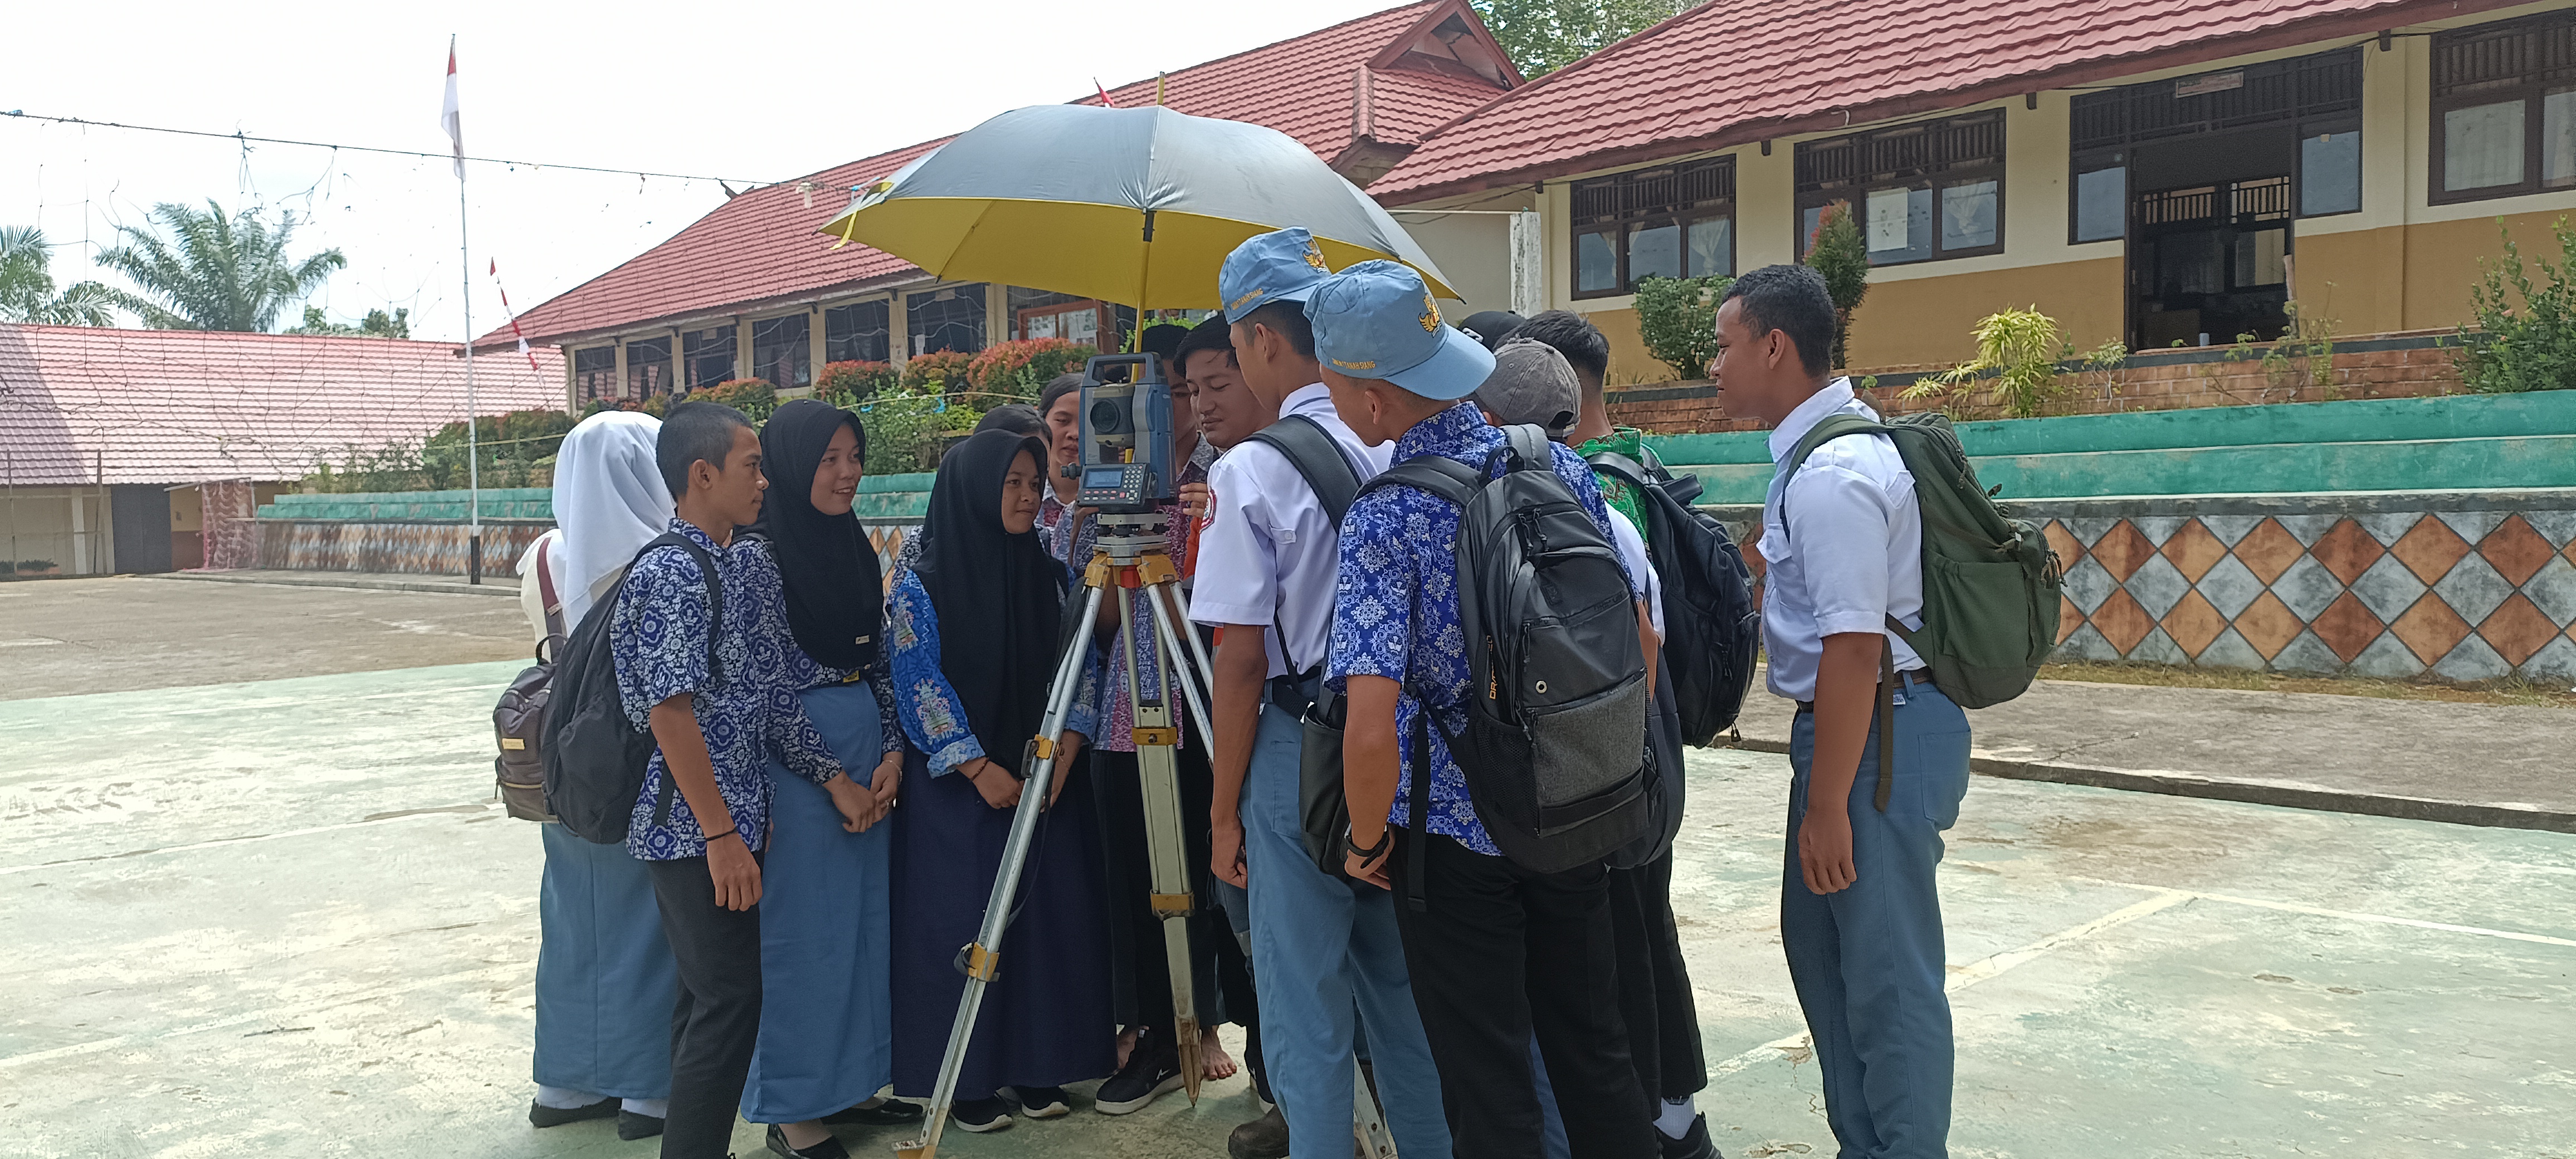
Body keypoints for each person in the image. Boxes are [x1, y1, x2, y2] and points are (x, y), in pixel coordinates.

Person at [1316, 261, 1657, 1159]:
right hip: (1575, 800)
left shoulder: (1385, 515)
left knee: (1488, 1080)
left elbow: (1371, 720)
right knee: (1596, 1053)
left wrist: (1364, 839)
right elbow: (1636, 638)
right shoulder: (1556, 464)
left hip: (1452, 835)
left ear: (1375, 400)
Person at [1189, 228, 1446, 1159]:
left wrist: (1223, 813)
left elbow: (1239, 662)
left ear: (1260, 338)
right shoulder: (1392, 435)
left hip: (1299, 745)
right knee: (1403, 994)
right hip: (1408, 740)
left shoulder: (1251, 469)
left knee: (1304, 1002)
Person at [1714, 265, 1965, 1159]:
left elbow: (1855, 650)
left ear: (1774, 347)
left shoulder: (1834, 473)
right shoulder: (1813, 459)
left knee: (1887, 977)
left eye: (1725, 346)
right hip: (1858, 729)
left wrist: (1827, 807)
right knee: (1826, 958)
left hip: (1877, 733)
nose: (1715, 366)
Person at [1471, 340, 1718, 1159]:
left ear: (1488, 421)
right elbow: (1647, 643)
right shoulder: (1606, 507)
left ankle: (1662, 1122)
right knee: (1621, 975)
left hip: (1556, 791)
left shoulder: (1518, 517)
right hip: (1623, 773)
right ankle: (1670, 1122)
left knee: (1601, 986)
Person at [613, 402, 870, 1159]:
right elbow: (671, 714)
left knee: (709, 1001)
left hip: (736, 820)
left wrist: (828, 778)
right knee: (727, 1002)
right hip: (691, 828)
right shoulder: (670, 573)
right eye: (751, 466)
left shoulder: (744, 563)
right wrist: (722, 834)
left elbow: (772, 692)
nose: (764, 482)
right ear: (702, 474)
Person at [887, 430, 1113, 1134]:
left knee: (1046, 922)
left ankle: (1039, 1064)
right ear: (973, 492)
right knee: (962, 924)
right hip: (960, 791)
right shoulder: (921, 583)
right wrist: (976, 766)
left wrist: (1069, 742)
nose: (1025, 496)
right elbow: (917, 681)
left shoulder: (1050, 574)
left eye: (1031, 483)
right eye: (1010, 483)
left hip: (1045, 779)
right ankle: (968, 1081)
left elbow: (1081, 659)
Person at [740, 400, 920, 1159]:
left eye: (855, 458)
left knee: (862, 930)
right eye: (829, 460)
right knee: (803, 939)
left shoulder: (852, 545)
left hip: (864, 755)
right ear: (791, 465)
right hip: (799, 771)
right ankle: (794, 1110)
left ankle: (854, 1081)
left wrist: (891, 753)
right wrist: (832, 778)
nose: (848, 474)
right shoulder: (758, 557)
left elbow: (876, 659)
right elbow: (768, 687)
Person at [520, 411, 678, 1142]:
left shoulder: (546, 557)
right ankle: (650, 1092)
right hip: (642, 760)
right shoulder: (666, 559)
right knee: (652, 924)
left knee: (572, 924)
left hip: (566, 763)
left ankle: (565, 1082)